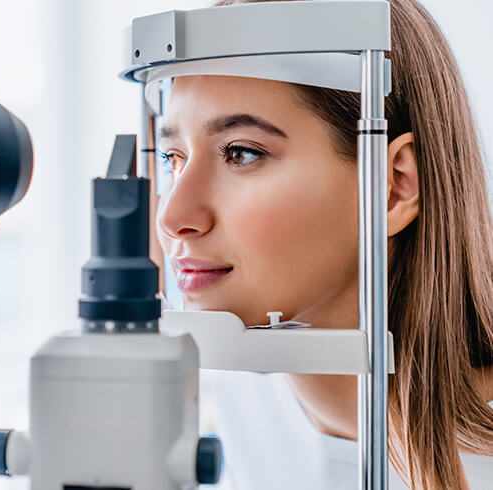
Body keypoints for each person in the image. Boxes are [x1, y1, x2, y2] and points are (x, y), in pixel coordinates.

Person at [149, 0, 493, 488]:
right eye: (173, 157)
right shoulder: (223, 414)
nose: (173, 216)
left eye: (241, 152)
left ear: (392, 187)